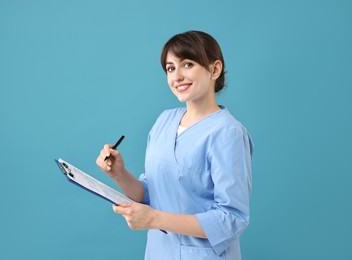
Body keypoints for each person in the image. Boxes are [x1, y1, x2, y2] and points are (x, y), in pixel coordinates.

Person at [96, 30, 254, 260]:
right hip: (159, 253)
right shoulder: (164, 121)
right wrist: (119, 174)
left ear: (214, 69)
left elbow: (232, 218)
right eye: (170, 68)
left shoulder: (228, 133)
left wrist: (154, 219)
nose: (177, 76)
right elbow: (151, 192)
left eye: (187, 64)